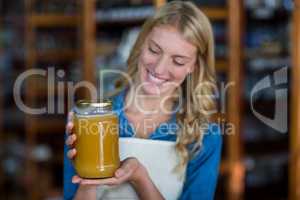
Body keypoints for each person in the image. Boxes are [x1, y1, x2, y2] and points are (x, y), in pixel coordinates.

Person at [64, 1, 222, 199]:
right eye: (154, 50)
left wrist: (140, 177)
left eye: (178, 61)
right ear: (141, 45)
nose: (159, 68)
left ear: (194, 67)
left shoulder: (205, 136)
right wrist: (87, 179)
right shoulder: (89, 120)